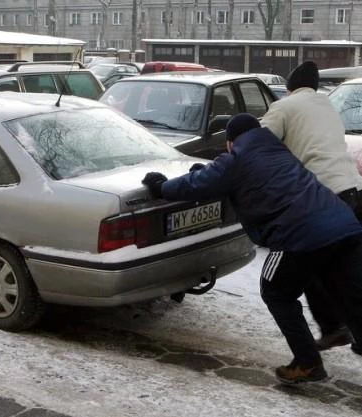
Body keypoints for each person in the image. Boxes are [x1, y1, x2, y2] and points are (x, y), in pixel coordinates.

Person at [142, 113, 362, 384]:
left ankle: (307, 363)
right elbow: (230, 176)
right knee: (350, 291)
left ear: (231, 142)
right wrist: (208, 173)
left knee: (276, 291)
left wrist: (161, 186)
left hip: (298, 235)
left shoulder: (238, 158)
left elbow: (200, 184)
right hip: (344, 225)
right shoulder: (278, 150)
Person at [261, 61, 362, 351]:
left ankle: (331, 330)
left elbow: (257, 144)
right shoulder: (326, 104)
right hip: (353, 190)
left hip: (320, 198)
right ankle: (342, 329)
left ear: (290, 87)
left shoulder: (284, 106)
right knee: (342, 269)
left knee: (305, 266)